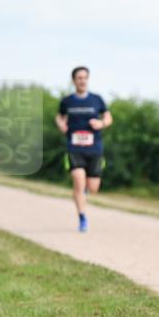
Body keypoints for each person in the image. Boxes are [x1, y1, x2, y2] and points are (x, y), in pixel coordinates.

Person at [55, 67, 112, 232]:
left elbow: (108, 116)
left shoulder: (96, 100)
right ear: (74, 80)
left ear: (88, 79)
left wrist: (101, 123)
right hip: (74, 147)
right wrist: (61, 124)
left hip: (94, 148)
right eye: (79, 78)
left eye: (85, 77)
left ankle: (82, 191)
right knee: (79, 181)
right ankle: (82, 218)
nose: (82, 81)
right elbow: (59, 116)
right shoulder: (67, 101)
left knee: (93, 188)